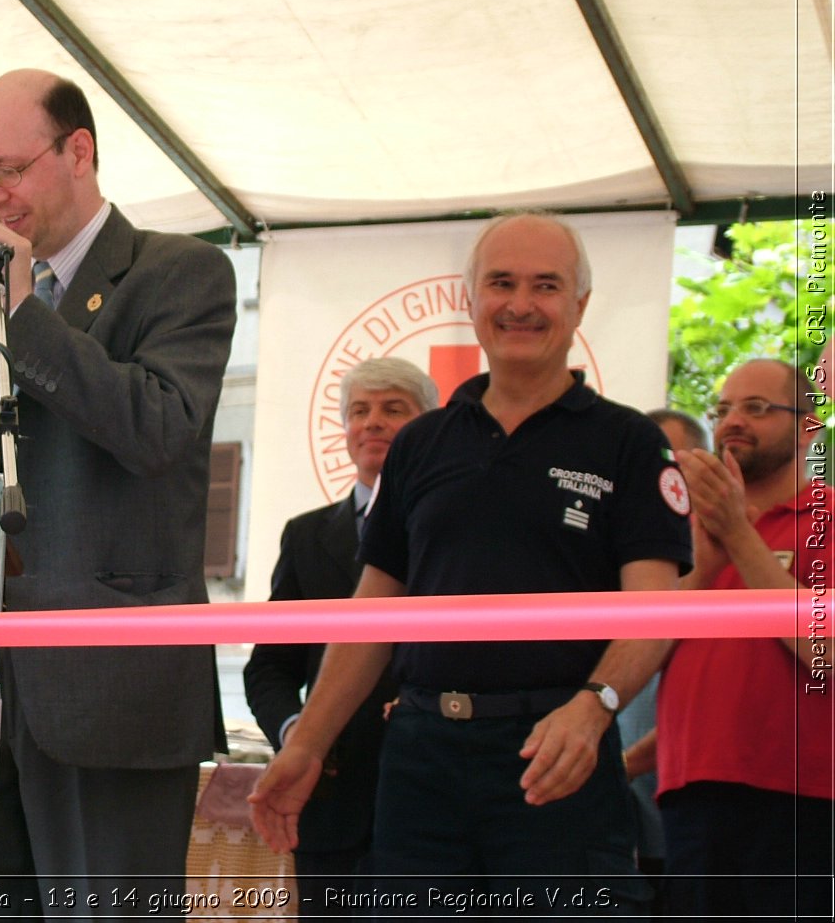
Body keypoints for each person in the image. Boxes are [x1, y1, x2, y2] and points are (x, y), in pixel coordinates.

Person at [249, 212, 692, 915]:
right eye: (501, 283)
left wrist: (595, 706)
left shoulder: (628, 443)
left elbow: (657, 608)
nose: (520, 304)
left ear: (579, 304)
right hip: (421, 761)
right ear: (471, 300)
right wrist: (306, 744)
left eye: (546, 286)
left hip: (557, 757)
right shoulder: (422, 444)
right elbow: (374, 614)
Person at [0, 69, 236, 917]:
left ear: (79, 151)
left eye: (9, 168)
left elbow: (157, 428)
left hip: (108, 687)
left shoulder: (179, 272)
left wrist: (27, 310)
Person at [244, 357, 436, 916]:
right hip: (332, 800)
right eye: (359, 411)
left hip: (431, 794)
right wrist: (297, 730)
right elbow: (271, 668)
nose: (372, 422)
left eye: (393, 409)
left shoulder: (453, 532)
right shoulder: (306, 537)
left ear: (429, 428)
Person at [654, 359, 831, 917]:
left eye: (756, 408)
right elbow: (649, 644)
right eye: (724, 409)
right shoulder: (690, 531)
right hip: (689, 793)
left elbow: (822, 650)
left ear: (810, 428)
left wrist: (738, 533)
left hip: (797, 799)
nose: (733, 421)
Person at [616, 408, 708, 883]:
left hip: (683, 820)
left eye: (669, 464)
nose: (653, 478)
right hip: (607, 822)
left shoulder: (728, 558)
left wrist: (619, 767)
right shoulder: (600, 557)